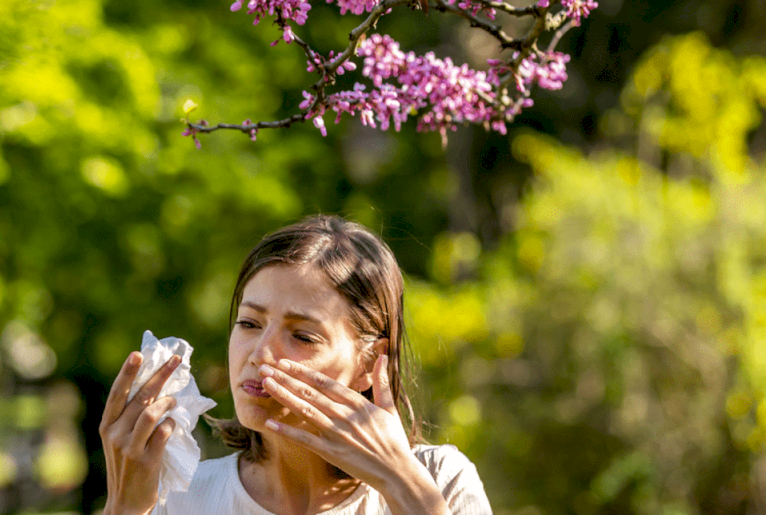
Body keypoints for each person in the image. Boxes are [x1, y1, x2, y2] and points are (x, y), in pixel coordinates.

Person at [100, 215, 492, 515]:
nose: (259, 354)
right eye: (249, 324)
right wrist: (123, 509)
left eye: (302, 336)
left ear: (368, 363)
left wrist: (403, 485)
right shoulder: (184, 499)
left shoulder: (440, 479)